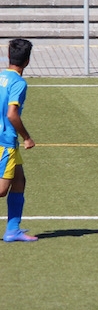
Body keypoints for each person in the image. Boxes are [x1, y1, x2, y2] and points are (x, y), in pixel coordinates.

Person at [1, 38, 37, 243]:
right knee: (1, 190)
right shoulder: (18, 83)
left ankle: (12, 230)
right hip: (5, 140)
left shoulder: (1, 76)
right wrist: (27, 137)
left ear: (8, 56)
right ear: (27, 61)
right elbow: (12, 114)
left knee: (19, 181)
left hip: (5, 140)